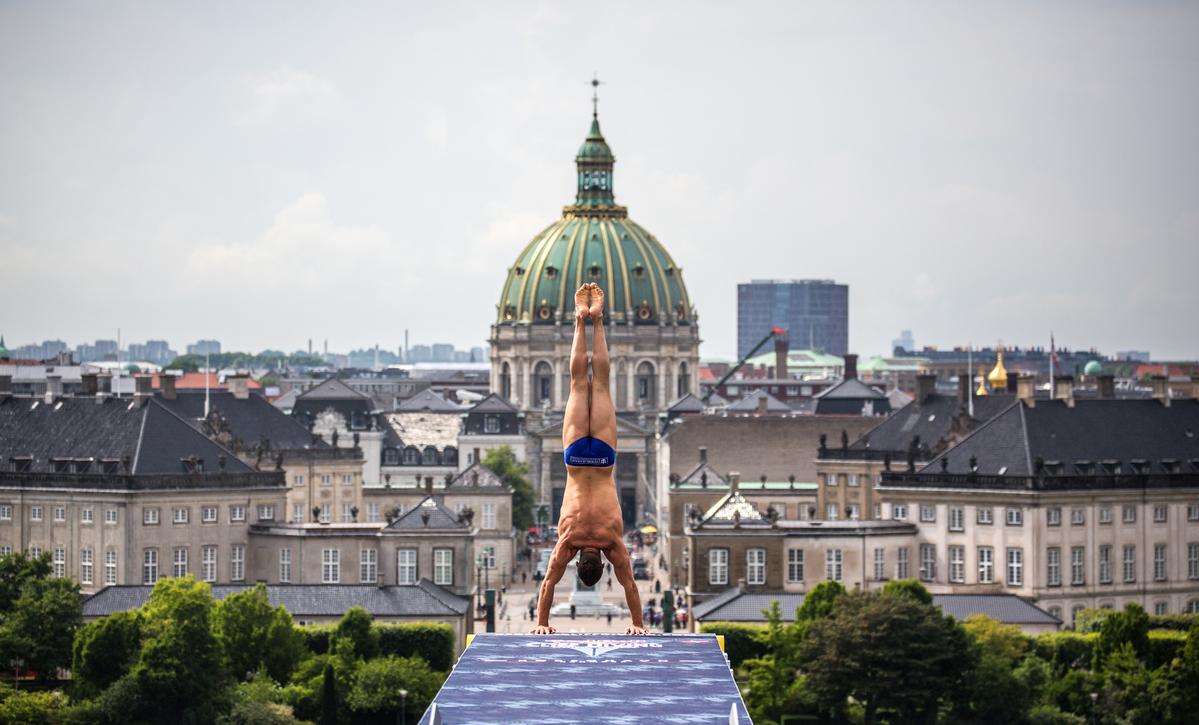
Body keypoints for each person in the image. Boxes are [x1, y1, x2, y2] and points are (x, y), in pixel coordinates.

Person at [531, 284, 647, 636]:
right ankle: (582, 321)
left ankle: (594, 320)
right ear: (579, 562)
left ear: (600, 564)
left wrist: (638, 624)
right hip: (577, 459)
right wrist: (541, 622)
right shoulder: (569, 539)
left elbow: (629, 588)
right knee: (581, 384)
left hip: (604, 459)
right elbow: (550, 584)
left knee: (599, 385)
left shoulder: (613, 543)